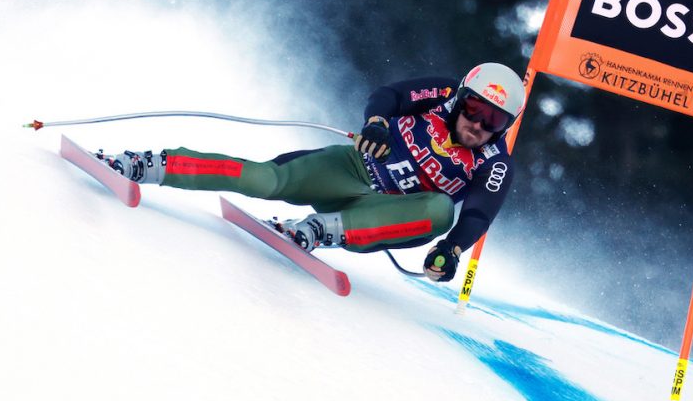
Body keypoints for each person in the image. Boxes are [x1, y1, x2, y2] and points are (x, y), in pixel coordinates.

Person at [99, 62, 524, 282]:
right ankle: (150, 164)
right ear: (461, 98)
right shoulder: (442, 93)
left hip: (380, 214)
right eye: (474, 109)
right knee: (267, 179)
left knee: (439, 211)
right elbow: (390, 95)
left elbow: (478, 214)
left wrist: (450, 252)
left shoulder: (494, 162)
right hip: (350, 168)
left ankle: (322, 230)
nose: (479, 126)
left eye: (495, 121)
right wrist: (376, 123)